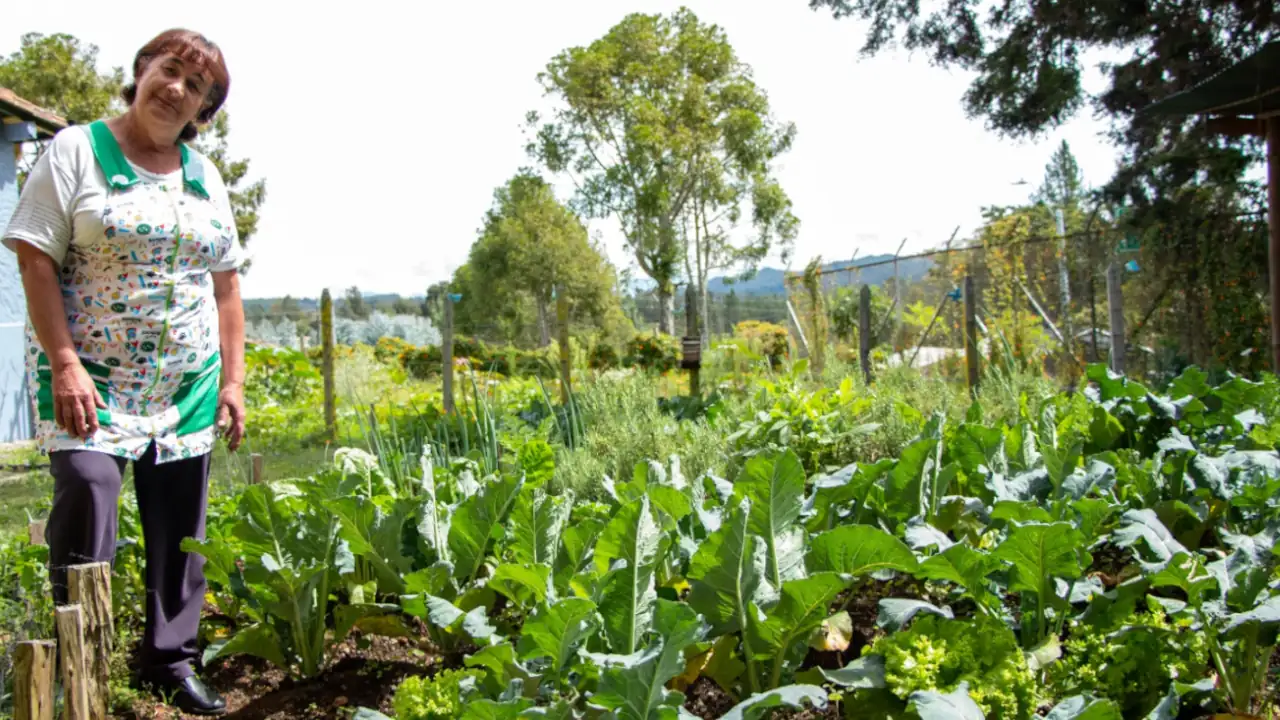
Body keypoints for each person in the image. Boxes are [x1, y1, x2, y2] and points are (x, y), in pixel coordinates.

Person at [2, 28, 246, 716]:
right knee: (90, 486)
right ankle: (78, 657)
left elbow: (227, 285)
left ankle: (170, 659)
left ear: (202, 111)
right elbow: (35, 259)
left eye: (195, 87)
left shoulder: (204, 176)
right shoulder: (76, 150)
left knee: (180, 520)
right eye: (169, 70)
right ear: (142, 70)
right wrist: (64, 363)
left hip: (185, 382)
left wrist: (232, 382)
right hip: (92, 377)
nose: (176, 89)